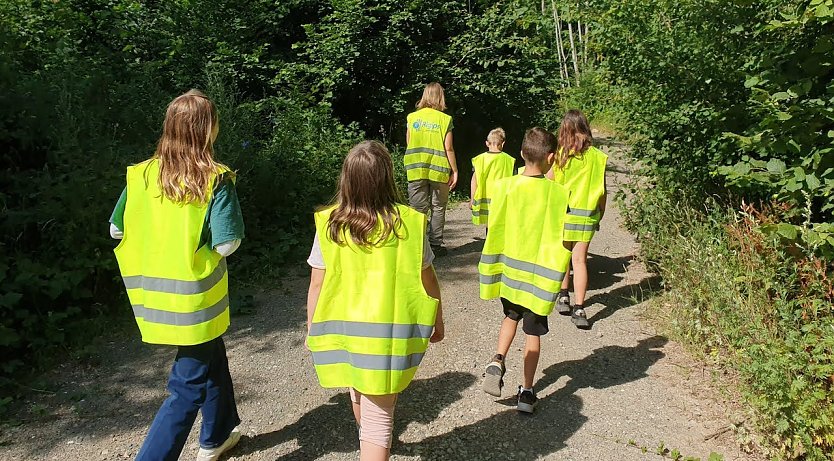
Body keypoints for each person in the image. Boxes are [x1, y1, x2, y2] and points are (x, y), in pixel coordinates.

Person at [110, 89, 245, 461]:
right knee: (185, 387)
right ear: (209, 129)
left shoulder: (141, 175)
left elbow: (116, 230)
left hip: (152, 298)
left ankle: (217, 436)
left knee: (211, 355)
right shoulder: (215, 179)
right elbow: (226, 244)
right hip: (195, 301)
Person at [306, 140, 445, 461]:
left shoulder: (329, 224)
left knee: (358, 389)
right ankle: (372, 445)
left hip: (344, 334)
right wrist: (437, 322)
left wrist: (313, 329)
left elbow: (316, 284)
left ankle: (368, 439)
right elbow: (428, 280)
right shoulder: (408, 223)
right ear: (387, 178)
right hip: (387, 340)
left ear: (346, 180)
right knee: (380, 418)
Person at [479, 127, 572, 413]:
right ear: (552, 158)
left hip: (510, 273)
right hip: (539, 279)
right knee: (533, 335)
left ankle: (497, 359)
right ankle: (527, 392)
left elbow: (496, 225)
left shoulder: (505, 186)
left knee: (510, 316)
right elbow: (566, 237)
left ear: (521, 154)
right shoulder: (558, 194)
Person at [547, 110, 608, 329]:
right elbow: (602, 191)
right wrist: (600, 212)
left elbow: (549, 183)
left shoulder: (561, 155)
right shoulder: (598, 157)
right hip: (587, 215)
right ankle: (580, 308)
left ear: (564, 129)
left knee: (564, 257)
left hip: (564, 214)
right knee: (579, 260)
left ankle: (563, 296)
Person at [404, 82, 459, 256]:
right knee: (438, 207)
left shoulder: (412, 118)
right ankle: (435, 245)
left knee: (417, 208)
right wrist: (455, 171)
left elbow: (409, 142)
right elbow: (448, 148)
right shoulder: (445, 119)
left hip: (415, 168)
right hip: (439, 170)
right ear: (440, 97)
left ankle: (417, 245)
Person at [470, 128, 516, 228]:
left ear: (487, 143)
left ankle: (488, 242)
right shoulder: (509, 160)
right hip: (502, 199)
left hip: (484, 198)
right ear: (503, 144)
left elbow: (475, 180)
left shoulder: (479, 159)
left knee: (489, 225)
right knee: (499, 226)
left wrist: (472, 199)